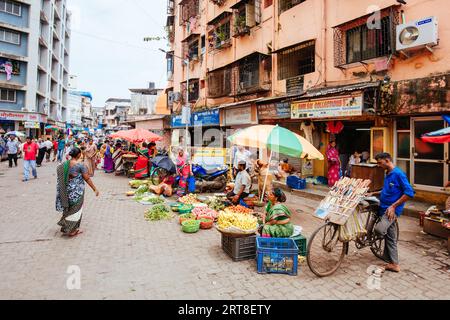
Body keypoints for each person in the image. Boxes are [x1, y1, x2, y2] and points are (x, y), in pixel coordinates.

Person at [373, 153, 415, 273]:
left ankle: (392, 262)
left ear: (387, 160)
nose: (379, 165)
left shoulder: (398, 174)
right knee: (390, 236)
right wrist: (373, 193)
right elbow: (387, 190)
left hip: (391, 211)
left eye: (380, 163)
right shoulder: (388, 173)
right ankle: (392, 262)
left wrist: (393, 206)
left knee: (379, 230)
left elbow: (409, 193)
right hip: (383, 208)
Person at [56, 147, 100, 237]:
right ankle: (72, 230)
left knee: (68, 209)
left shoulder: (64, 164)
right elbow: (87, 178)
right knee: (76, 210)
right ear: (79, 154)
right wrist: (95, 189)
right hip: (77, 192)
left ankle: (65, 227)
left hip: (66, 191)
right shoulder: (80, 165)